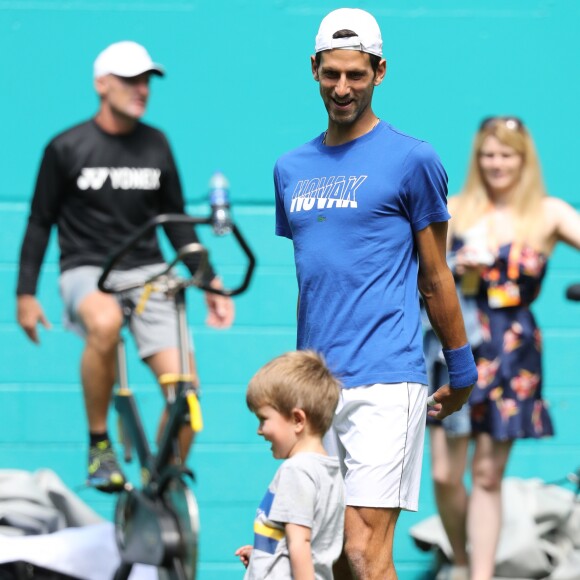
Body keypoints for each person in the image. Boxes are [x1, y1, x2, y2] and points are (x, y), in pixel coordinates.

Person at [273, 8, 478, 580]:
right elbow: (310, 280)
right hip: (317, 389)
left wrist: (460, 370)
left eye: (356, 75)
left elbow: (435, 275)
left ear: (379, 72)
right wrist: (297, 378)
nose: (343, 88)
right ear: (313, 69)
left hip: (387, 378)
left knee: (365, 552)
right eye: (331, 74)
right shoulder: (290, 168)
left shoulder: (413, 159)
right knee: (329, 552)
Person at [16, 41, 234, 492]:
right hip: (88, 271)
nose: (142, 89)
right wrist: (25, 294)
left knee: (187, 400)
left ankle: (157, 491)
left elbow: (177, 224)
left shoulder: (157, 144)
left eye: (146, 81)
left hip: (150, 272)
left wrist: (209, 280)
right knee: (106, 321)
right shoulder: (66, 147)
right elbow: (40, 222)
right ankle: (100, 444)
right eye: (131, 80)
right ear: (102, 84)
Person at [428, 116, 580, 580]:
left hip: (514, 349)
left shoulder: (549, 212)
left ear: (523, 159)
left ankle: (480, 576)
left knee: (489, 475)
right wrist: (455, 262)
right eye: (488, 154)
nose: (497, 163)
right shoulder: (456, 208)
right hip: (455, 342)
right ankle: (459, 556)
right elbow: (417, 266)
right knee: (444, 474)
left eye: (507, 154)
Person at [235, 350, 345, 579]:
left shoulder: (296, 471)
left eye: (264, 419)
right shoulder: (329, 471)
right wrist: (263, 558)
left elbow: (300, 544)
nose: (259, 430)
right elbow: (307, 542)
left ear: (297, 420)